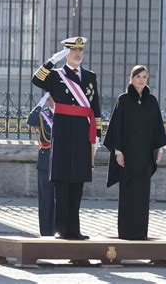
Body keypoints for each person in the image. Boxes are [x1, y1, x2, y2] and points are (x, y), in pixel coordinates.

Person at [32, 36, 102, 240]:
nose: (77, 54)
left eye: (80, 50)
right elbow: (36, 80)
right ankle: (62, 229)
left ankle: (75, 229)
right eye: (73, 51)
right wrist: (51, 61)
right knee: (62, 183)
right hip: (63, 131)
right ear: (66, 53)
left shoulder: (89, 76)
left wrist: (96, 133)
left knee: (77, 183)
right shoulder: (55, 75)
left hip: (81, 132)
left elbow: (94, 105)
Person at [103, 65, 166, 240]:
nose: (141, 80)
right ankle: (125, 232)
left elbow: (157, 128)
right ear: (131, 78)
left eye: (145, 77)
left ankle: (140, 233)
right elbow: (116, 126)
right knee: (127, 193)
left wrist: (159, 149)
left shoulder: (151, 101)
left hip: (145, 156)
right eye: (138, 76)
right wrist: (118, 151)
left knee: (142, 194)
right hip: (127, 156)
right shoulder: (123, 99)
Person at [27, 92, 55, 236]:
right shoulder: (43, 115)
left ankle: (58, 230)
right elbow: (30, 120)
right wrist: (40, 103)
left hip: (61, 160)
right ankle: (46, 232)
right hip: (45, 160)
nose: (52, 102)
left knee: (59, 198)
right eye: (49, 99)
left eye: (53, 98)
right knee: (46, 198)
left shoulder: (65, 115)